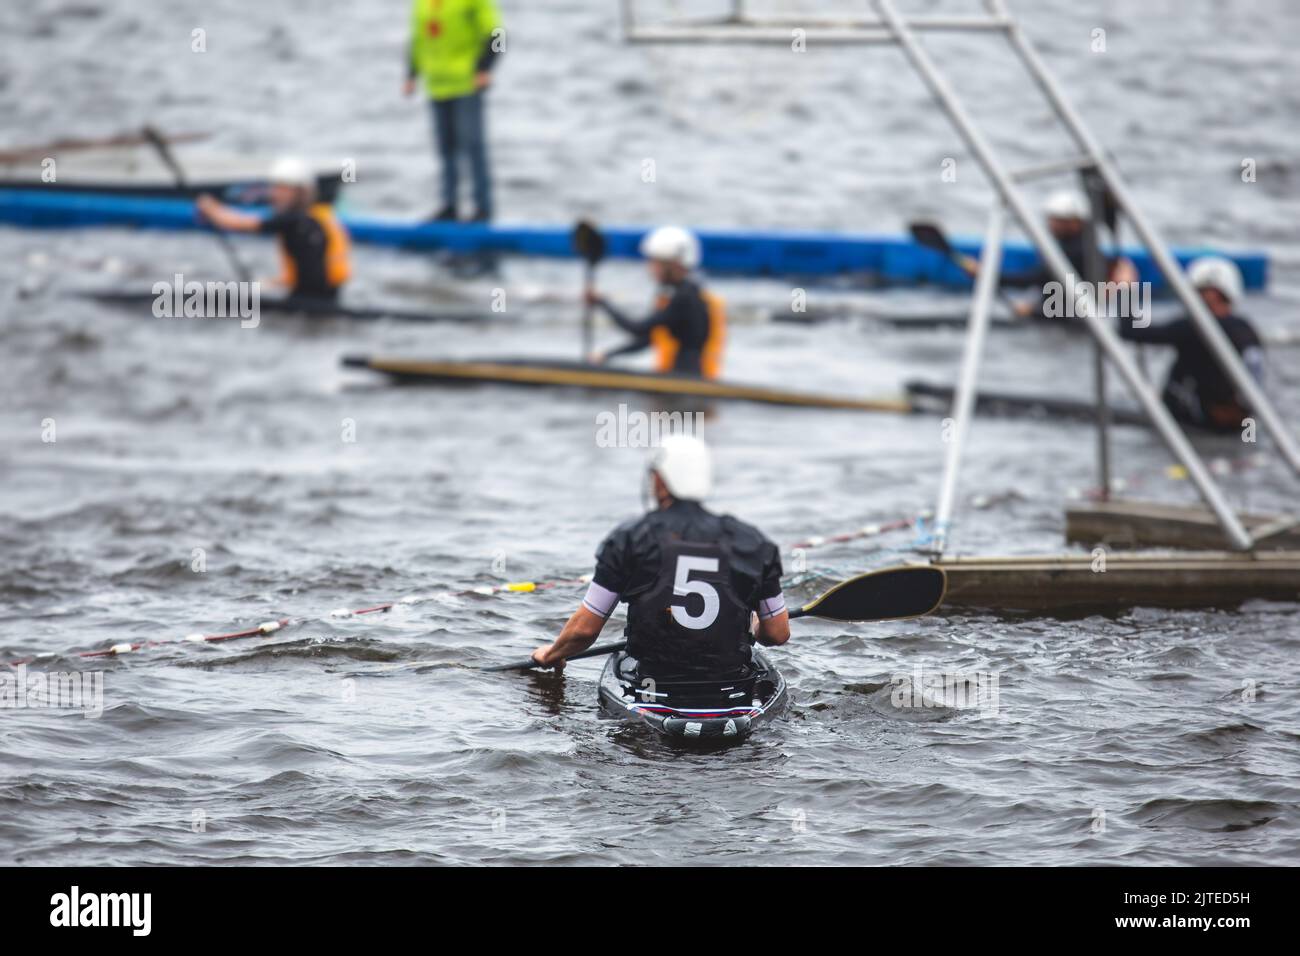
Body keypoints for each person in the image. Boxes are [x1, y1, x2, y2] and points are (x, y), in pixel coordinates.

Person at [531, 435, 789, 683]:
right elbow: (777, 634)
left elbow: (585, 631)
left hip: (654, 682)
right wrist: (756, 628)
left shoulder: (628, 540)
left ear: (661, 481)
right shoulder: (753, 542)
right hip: (728, 684)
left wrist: (552, 654)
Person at [1117, 257, 1264, 432]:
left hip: (1194, 425)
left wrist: (1124, 289)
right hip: (1238, 427)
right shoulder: (1247, 329)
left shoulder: (1195, 328)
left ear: (1211, 294)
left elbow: (1131, 331)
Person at [961, 189, 1138, 321]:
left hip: (1066, 319)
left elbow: (1034, 278)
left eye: (1058, 220)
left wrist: (985, 274)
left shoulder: (1075, 251)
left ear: (1075, 222)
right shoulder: (1083, 245)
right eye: (1051, 218)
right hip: (1064, 312)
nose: (1051, 224)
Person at [196, 157, 351, 301]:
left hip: (310, 300)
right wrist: (270, 283)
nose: (275, 194)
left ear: (300, 193)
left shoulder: (294, 220)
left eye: (283, 189)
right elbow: (309, 268)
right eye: (275, 188)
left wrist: (211, 207)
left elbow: (239, 223)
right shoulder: (315, 217)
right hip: (324, 297)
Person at [403, 0, 503, 222]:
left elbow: (498, 36)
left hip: (466, 84)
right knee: (445, 149)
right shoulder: (422, 3)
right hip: (437, 86)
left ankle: (483, 209)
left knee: (473, 146)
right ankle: (449, 206)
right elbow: (417, 40)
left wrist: (486, 68)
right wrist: (411, 74)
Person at [587, 226, 727, 380]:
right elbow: (648, 339)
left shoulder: (684, 298)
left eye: (656, 263)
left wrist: (603, 303)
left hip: (686, 379)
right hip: (684, 375)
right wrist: (607, 355)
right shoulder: (686, 292)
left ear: (674, 264)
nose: (651, 269)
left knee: (625, 404)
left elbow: (637, 328)